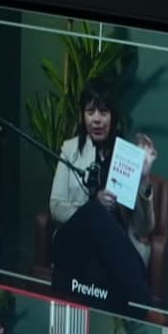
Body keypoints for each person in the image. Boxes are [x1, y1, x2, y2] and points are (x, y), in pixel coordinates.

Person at [45, 86, 151, 310]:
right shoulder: (70, 149)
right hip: (71, 242)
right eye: (90, 112)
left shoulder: (127, 156)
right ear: (83, 115)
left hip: (110, 252)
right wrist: (92, 207)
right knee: (95, 212)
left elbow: (143, 228)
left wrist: (143, 178)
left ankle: (137, 306)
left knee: (102, 269)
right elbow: (55, 207)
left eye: (103, 112)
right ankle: (145, 303)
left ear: (113, 117)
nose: (96, 120)